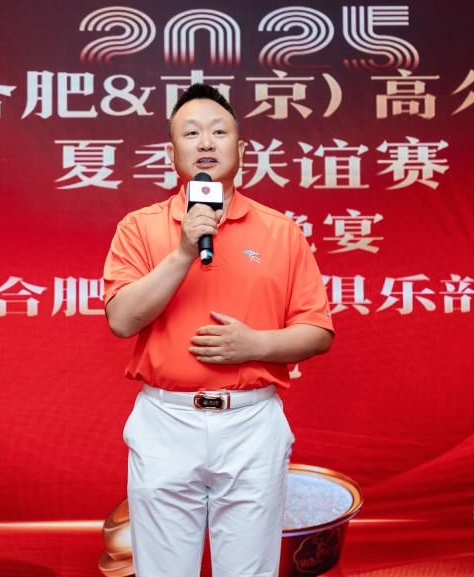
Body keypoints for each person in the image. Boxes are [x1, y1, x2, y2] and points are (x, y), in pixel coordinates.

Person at [103, 83, 334, 577]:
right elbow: (122, 320)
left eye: (218, 131)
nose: (206, 142)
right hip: (166, 421)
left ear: (241, 149)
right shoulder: (139, 227)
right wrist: (184, 251)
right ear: (172, 154)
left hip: (251, 422)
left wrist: (256, 344)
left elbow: (318, 331)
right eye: (191, 133)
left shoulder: (281, 231)